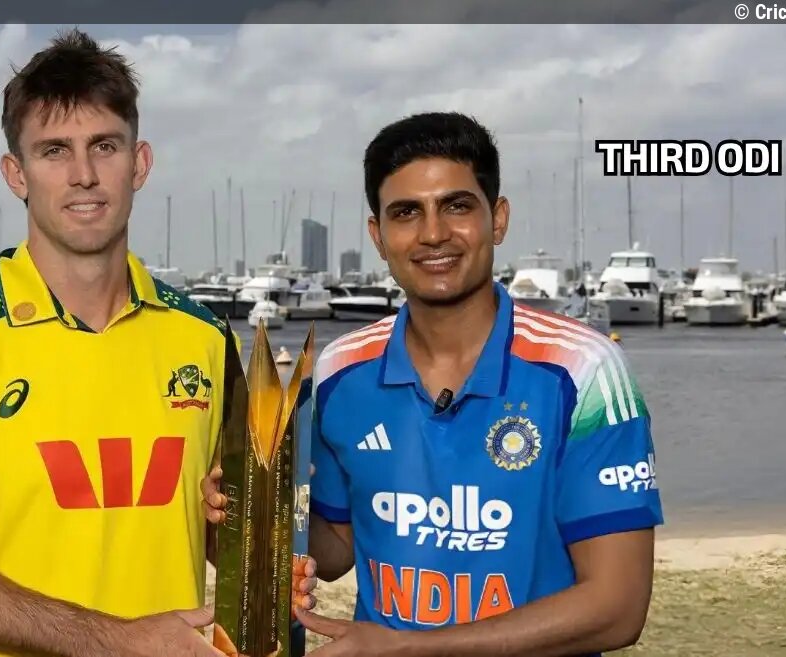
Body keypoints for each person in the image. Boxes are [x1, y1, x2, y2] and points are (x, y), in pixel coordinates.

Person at [0, 29, 304, 657]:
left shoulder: (205, 337)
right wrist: (114, 640)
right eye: (54, 151)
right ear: (16, 174)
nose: (83, 175)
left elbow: (209, 528)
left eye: (104, 146)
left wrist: (262, 555)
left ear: (140, 163)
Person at [207, 112, 661, 657]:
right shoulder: (340, 369)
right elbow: (335, 548)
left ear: (498, 219)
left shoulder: (583, 370)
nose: (433, 233)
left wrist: (408, 648)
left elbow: (617, 609)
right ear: (378, 236)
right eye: (406, 213)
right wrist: (245, 518)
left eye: (457, 206)